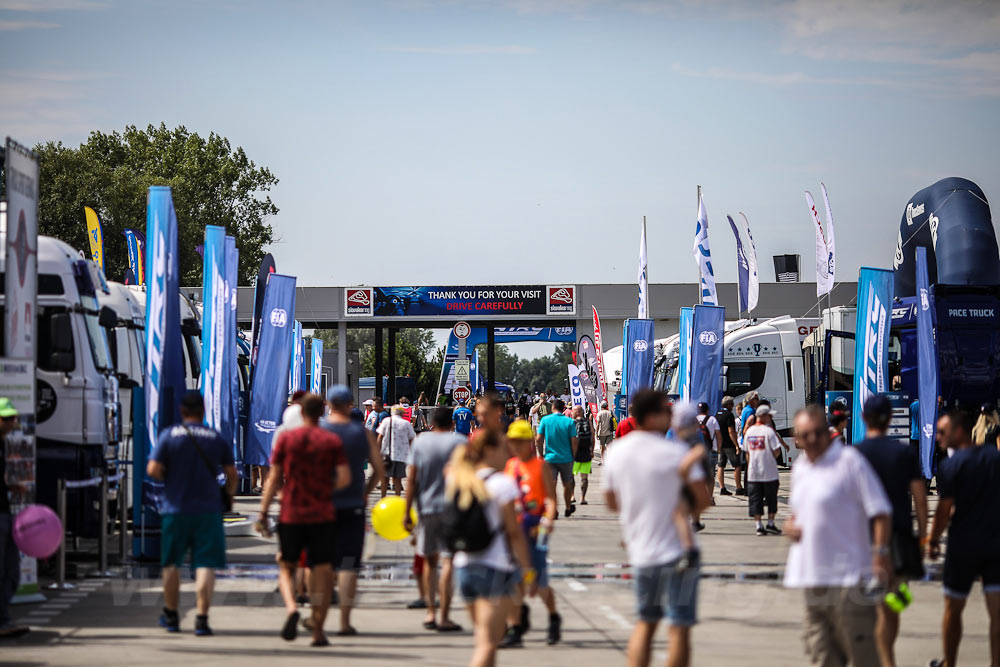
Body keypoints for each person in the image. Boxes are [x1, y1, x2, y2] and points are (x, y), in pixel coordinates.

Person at [604, 390, 711, 667]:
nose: (671, 416)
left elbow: (612, 501)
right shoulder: (676, 453)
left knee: (645, 624)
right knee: (678, 629)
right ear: (653, 417)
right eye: (666, 411)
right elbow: (702, 499)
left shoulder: (616, 452)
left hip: (642, 551)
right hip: (679, 551)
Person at [783, 405, 892, 667]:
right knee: (821, 655)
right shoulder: (800, 468)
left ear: (827, 432)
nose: (810, 440)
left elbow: (880, 512)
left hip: (848, 580)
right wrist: (789, 526)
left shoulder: (850, 462)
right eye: (803, 435)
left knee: (861, 656)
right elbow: (797, 513)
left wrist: (880, 555)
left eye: (816, 433)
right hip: (812, 580)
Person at [258, 394, 351, 647]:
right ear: (322, 412)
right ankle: (318, 630)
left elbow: (274, 478)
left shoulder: (287, 439)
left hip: (292, 511)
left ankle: (291, 608)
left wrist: (263, 512)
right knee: (322, 570)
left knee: (286, 566)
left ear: (300, 413)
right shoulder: (331, 440)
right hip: (323, 513)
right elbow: (343, 478)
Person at [147, 390, 237, 636]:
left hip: (175, 509)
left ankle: (172, 616)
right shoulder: (215, 438)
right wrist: (228, 495)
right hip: (208, 510)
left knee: (171, 564)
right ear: (203, 411)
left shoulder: (169, 435)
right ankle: (201, 619)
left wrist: (171, 479)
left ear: (181, 411)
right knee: (206, 564)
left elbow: (153, 468)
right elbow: (232, 474)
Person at [854, 394, 928, 667]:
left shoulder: (855, 454)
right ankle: (886, 658)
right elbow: (920, 498)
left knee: (874, 602)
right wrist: (922, 535)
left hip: (863, 536)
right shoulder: (904, 452)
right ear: (890, 419)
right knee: (891, 601)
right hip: (897, 535)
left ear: (864, 418)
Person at [448, 430, 533, 667]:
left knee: (484, 640)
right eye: (503, 450)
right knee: (487, 644)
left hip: (464, 567)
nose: (507, 455)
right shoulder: (501, 484)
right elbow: (514, 533)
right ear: (490, 451)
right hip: (494, 568)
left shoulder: (460, 479)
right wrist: (527, 570)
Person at [926, 407, 1000, 667]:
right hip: (994, 543)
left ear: (959, 432)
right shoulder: (994, 456)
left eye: (942, 432)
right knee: (996, 614)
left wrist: (933, 541)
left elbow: (944, 510)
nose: (937, 436)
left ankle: (950, 664)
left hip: (963, 547)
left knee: (953, 608)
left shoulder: (950, 466)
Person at [324, 385, 384, 636]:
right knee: (348, 564)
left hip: (321, 506)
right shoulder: (363, 434)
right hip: (353, 506)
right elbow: (380, 471)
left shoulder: (318, 431)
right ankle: (345, 622)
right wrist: (366, 492)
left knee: (323, 563)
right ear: (350, 405)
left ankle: (319, 620)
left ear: (328, 405)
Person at [404, 406, 465, 632]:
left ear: (431, 422)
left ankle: (430, 612)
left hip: (426, 509)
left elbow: (412, 479)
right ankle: (445, 616)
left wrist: (406, 510)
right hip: (453, 509)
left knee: (429, 560)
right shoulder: (459, 443)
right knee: (448, 560)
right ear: (451, 423)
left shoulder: (420, 443)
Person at [500, 419, 561, 648]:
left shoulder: (541, 465)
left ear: (529, 442)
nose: (515, 446)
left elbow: (551, 500)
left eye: (519, 442)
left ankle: (553, 617)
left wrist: (548, 519)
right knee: (514, 579)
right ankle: (515, 628)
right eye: (512, 442)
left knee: (539, 581)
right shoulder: (511, 466)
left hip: (537, 527)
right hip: (515, 529)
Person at [0, 398, 27, 639]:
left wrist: (12, 487)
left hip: (4, 513)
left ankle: (4, 619)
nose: (11, 423)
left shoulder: (3, 445)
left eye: (13, 418)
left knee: (11, 569)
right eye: (6, 418)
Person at [743, 405, 788, 536]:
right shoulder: (769, 432)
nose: (771, 418)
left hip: (753, 473)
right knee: (771, 499)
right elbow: (776, 451)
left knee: (755, 499)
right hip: (769, 472)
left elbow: (747, 453)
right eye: (769, 415)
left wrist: (753, 462)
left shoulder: (749, 432)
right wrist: (768, 458)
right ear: (762, 416)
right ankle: (770, 523)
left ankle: (758, 526)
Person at [535, 399, 578, 517]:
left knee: (551, 485)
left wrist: (541, 455)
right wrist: (573, 456)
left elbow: (538, 439)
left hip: (550, 458)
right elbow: (574, 441)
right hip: (566, 458)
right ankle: (568, 507)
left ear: (553, 407)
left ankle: (553, 509)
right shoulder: (569, 422)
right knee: (567, 484)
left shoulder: (545, 420)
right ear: (563, 408)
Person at [378, 405, 416, 497]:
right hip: (401, 456)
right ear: (402, 413)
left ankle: (383, 497)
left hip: (386, 454)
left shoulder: (386, 421)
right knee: (397, 480)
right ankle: (397, 498)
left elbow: (380, 437)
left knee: (385, 478)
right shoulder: (406, 423)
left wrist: (378, 451)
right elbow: (412, 439)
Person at [715, 396, 744, 496]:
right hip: (728, 444)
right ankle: (738, 487)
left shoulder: (717, 414)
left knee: (720, 466)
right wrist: (736, 445)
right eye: (731, 404)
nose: (732, 406)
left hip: (720, 444)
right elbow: (731, 431)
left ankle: (722, 488)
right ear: (728, 405)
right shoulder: (729, 415)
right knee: (737, 465)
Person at [571, 405, 595, 505]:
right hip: (585, 452)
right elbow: (592, 437)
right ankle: (582, 498)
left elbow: (570, 438)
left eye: (573, 411)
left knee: (570, 476)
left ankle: (572, 496)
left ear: (576, 412)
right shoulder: (588, 422)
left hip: (574, 453)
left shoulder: (571, 422)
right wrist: (591, 450)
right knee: (584, 478)